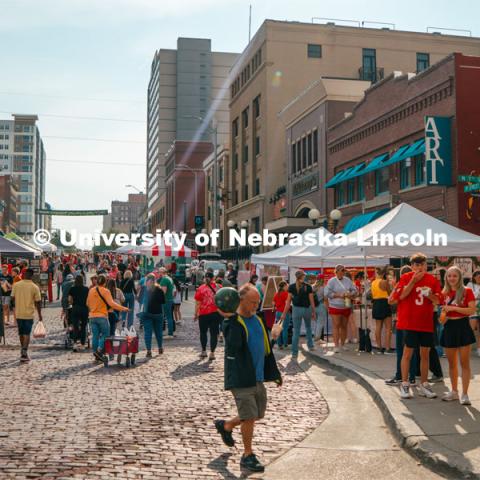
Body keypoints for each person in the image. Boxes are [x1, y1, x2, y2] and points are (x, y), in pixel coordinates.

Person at [214, 284, 282, 473]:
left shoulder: (258, 319)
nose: (256, 306)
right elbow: (234, 345)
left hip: (258, 376)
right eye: (253, 302)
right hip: (242, 377)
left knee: (257, 414)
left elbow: (265, 347)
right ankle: (247, 455)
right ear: (240, 301)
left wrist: (274, 373)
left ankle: (226, 426)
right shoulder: (231, 323)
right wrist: (230, 318)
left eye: (257, 302)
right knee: (250, 416)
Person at [396, 253, 442, 400]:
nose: (419, 267)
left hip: (426, 322)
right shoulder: (405, 277)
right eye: (416, 265)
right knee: (407, 354)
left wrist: (429, 295)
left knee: (425, 355)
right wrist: (412, 282)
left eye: (422, 264)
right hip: (410, 322)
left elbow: (437, 301)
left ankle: (424, 384)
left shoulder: (432, 280)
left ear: (426, 265)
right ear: (412, 266)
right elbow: (401, 296)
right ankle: (404, 384)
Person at [439, 266, 477, 405]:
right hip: (449, 327)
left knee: (464, 363)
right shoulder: (444, 293)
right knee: (451, 364)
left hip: (463, 327)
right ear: (446, 278)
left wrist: (454, 308)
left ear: (459, 277)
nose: (452, 278)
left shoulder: (467, 291)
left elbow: (472, 310)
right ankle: (454, 392)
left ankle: (465, 394)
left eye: (455, 276)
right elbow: (441, 317)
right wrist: (443, 316)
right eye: (449, 276)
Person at [385, 266, 418, 386]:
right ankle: (412, 377)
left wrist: (396, 286)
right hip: (412, 321)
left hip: (403, 321)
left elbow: (391, 300)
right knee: (411, 351)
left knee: (402, 351)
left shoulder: (402, 285)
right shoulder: (416, 286)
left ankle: (400, 376)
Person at [86, 274, 129, 362]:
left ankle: (96, 355)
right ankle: (98, 350)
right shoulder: (106, 291)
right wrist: (124, 308)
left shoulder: (91, 290)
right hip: (102, 316)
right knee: (106, 335)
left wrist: (93, 309)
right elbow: (112, 304)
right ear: (105, 282)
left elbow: (87, 303)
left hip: (92, 317)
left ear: (97, 281)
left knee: (95, 336)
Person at [280, 270, 316, 359]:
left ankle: (294, 353)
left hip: (296, 310)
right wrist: (314, 312)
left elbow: (288, 302)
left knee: (296, 331)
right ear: (303, 276)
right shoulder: (308, 286)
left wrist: (284, 314)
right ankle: (310, 346)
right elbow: (312, 301)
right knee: (308, 328)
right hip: (307, 309)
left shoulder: (291, 287)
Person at [11, 268, 42, 362]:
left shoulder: (16, 285)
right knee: (27, 333)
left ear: (24, 275)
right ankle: (24, 351)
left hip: (19, 313)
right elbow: (38, 302)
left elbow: (12, 298)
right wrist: (40, 314)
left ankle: (22, 349)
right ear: (31, 276)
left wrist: (15, 305)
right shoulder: (34, 287)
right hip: (29, 314)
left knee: (21, 333)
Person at [324, 265, 358, 353]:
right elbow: (327, 293)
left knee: (344, 326)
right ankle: (336, 345)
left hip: (346, 305)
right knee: (336, 325)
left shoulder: (348, 280)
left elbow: (354, 290)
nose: (343, 272)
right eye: (342, 270)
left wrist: (350, 294)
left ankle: (342, 344)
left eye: (344, 270)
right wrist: (339, 295)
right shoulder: (332, 281)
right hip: (335, 306)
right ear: (337, 271)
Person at [194, 272, 221, 360]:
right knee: (214, 334)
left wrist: (196, 314)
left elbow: (198, 303)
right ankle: (212, 353)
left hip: (203, 313)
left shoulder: (201, 288)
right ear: (213, 278)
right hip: (215, 313)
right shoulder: (218, 287)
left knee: (203, 332)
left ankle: (204, 351)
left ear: (205, 278)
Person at [138, 273, 166, 357]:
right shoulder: (159, 289)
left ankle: (149, 351)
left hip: (147, 313)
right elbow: (163, 301)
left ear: (148, 280)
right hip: (158, 313)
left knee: (148, 332)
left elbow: (139, 300)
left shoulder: (144, 289)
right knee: (158, 332)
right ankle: (160, 348)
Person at [371, 266, 393, 354]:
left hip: (376, 303)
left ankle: (379, 347)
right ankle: (387, 348)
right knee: (388, 328)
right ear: (384, 274)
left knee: (378, 327)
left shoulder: (373, 283)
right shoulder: (384, 282)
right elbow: (390, 293)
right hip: (384, 303)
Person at [68, 274, 89, 351]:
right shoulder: (86, 289)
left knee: (75, 326)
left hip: (75, 308)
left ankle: (75, 344)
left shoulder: (72, 289)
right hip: (84, 309)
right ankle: (83, 344)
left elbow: (70, 300)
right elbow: (88, 300)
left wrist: (73, 303)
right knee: (83, 327)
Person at [158, 267, 175, 338]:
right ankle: (170, 333)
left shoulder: (164, 279)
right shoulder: (169, 278)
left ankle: (167, 333)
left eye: (159, 272)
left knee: (164, 317)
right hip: (170, 299)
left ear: (162, 272)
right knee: (169, 317)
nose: (159, 274)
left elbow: (163, 291)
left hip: (165, 300)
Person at [273, 280, 290, 349]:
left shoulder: (276, 294)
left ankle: (279, 344)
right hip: (284, 312)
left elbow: (273, 303)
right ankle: (285, 344)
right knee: (285, 329)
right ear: (284, 286)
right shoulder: (286, 293)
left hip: (278, 312)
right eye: (286, 286)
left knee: (278, 329)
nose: (287, 287)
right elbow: (287, 304)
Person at [467, 271, 480, 357]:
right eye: (478, 277)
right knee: (470, 331)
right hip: (474, 310)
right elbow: (470, 296)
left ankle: (479, 350)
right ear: (474, 277)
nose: (479, 278)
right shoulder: (470, 285)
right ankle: (467, 349)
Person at [311, 274, 327, 341]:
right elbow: (326, 298)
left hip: (313, 306)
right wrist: (327, 307)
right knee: (320, 323)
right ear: (323, 280)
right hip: (321, 306)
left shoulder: (312, 287)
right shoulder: (324, 288)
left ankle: (315, 336)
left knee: (316, 322)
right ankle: (317, 337)